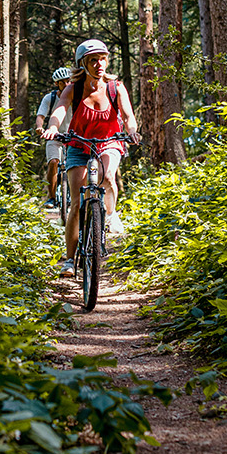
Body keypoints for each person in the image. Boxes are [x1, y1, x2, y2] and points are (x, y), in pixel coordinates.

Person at [40, 40, 140, 277]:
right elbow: (59, 111)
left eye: (103, 58)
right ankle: (69, 259)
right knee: (76, 202)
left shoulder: (116, 88)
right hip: (78, 143)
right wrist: (52, 127)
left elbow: (128, 115)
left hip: (110, 141)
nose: (99, 64)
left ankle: (110, 215)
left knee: (107, 176)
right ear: (83, 64)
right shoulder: (73, 88)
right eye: (93, 60)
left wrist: (132, 130)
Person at [34, 66, 74, 208]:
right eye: (63, 82)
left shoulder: (77, 97)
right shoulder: (50, 98)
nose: (67, 84)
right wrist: (40, 127)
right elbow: (41, 115)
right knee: (53, 162)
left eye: (69, 81)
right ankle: (51, 197)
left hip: (74, 137)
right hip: (55, 136)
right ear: (57, 84)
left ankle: (77, 197)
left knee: (78, 166)